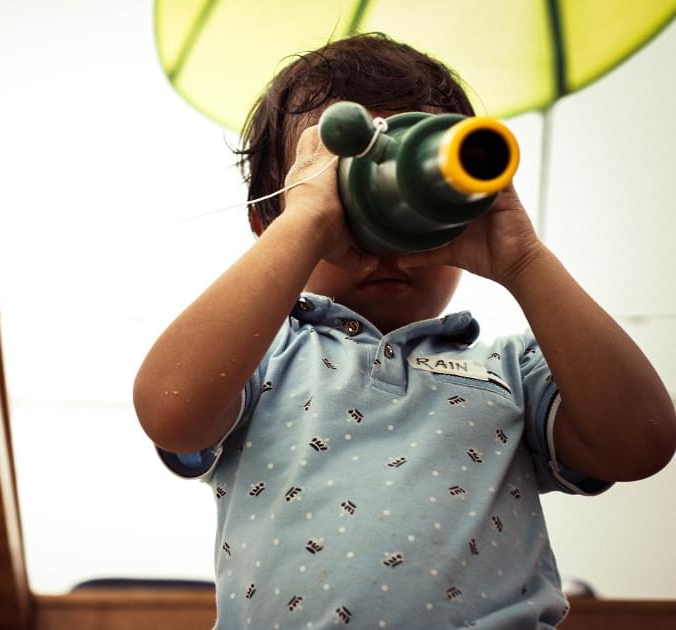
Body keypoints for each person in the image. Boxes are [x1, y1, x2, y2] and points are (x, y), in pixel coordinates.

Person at [132, 33, 675, 629]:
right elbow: (170, 408)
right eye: (347, 195)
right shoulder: (260, 360)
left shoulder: (513, 371)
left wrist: (522, 259)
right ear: (271, 222)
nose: (385, 239)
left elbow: (641, 442)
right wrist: (310, 219)